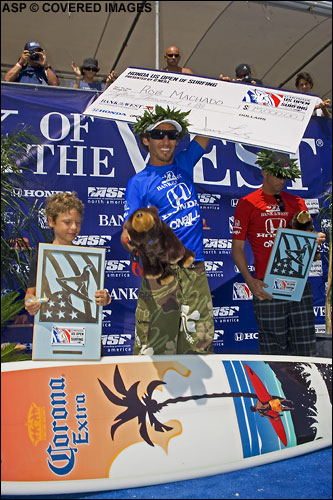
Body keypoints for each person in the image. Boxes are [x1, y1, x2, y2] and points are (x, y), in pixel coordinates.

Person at [120, 105, 214, 355]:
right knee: (157, 347)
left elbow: (208, 132)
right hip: (161, 273)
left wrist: (221, 96)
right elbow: (127, 235)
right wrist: (139, 243)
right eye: (158, 134)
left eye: (172, 136)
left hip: (195, 268)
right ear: (145, 140)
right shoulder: (138, 183)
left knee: (200, 344)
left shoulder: (184, 163)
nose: (166, 140)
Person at [231, 149, 326, 356]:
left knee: (306, 351)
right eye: (278, 175)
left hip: (297, 284)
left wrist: (314, 239)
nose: (282, 181)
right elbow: (237, 249)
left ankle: (305, 389)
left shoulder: (297, 202)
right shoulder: (247, 203)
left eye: (286, 176)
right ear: (264, 171)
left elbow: (306, 237)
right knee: (274, 354)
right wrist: (250, 281)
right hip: (266, 286)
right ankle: (275, 390)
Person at [25, 192, 111, 316]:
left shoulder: (89, 258)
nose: (74, 227)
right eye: (67, 222)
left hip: (83, 327)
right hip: (49, 327)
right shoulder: (41, 257)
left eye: (78, 223)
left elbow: (100, 293)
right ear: (51, 221)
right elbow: (30, 294)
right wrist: (30, 303)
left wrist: (106, 298)